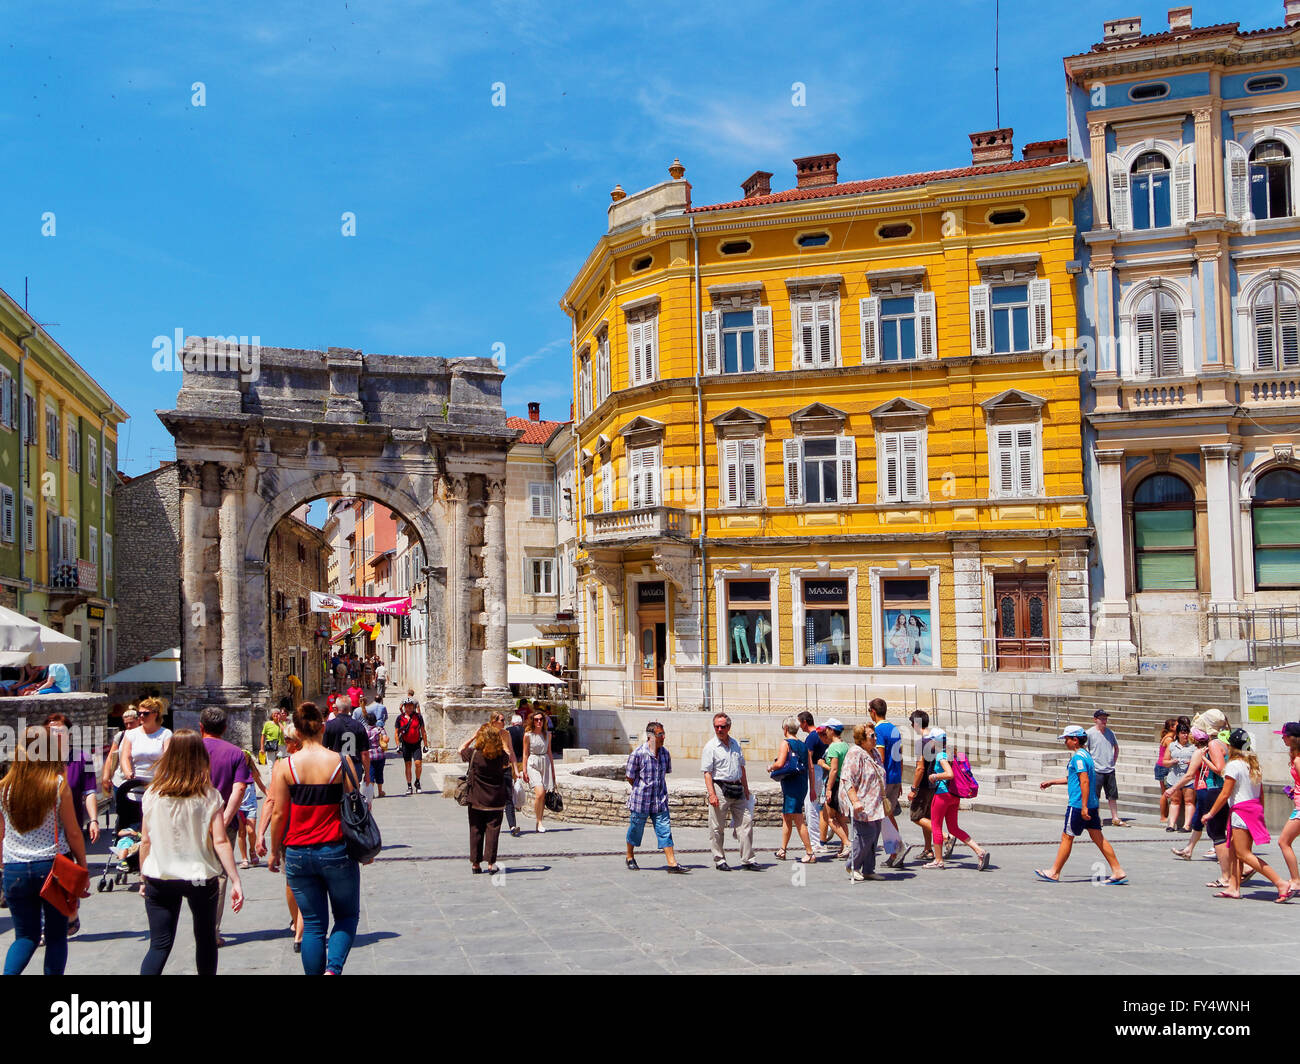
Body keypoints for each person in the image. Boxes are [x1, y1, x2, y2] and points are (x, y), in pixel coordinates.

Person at [268, 701, 364, 976]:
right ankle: (332, 970)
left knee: (311, 924)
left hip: (298, 852)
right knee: (346, 916)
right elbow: (355, 808)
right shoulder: (341, 762)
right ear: (323, 727)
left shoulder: (285, 767)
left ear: (296, 732)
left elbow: (278, 814)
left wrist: (274, 851)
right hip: (337, 849)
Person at [139, 730, 244, 974]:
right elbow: (220, 841)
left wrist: (143, 876)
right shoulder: (209, 795)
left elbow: (146, 841)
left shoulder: (152, 794)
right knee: (206, 940)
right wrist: (236, 879)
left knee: (159, 945)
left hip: (160, 874)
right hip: (199, 876)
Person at [0, 725, 88, 975]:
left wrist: (3, 865)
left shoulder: (4, 787)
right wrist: (81, 865)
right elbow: (72, 831)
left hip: (14, 868)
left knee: (24, 937)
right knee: (57, 935)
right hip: (52, 867)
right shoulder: (57, 785)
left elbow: (0, 833)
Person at [1201, 729, 1293, 901]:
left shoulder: (1233, 765)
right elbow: (1261, 794)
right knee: (1235, 851)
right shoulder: (1252, 764)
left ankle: (1280, 882)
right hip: (1254, 809)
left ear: (1232, 747)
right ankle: (1233, 887)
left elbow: (1225, 793)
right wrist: (1260, 812)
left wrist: (1210, 813)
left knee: (1243, 854)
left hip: (1241, 811)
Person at [1034, 725, 1127, 885]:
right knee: (1098, 837)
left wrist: (1083, 806)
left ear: (1075, 740)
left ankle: (1054, 872)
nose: (1065, 742)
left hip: (1078, 805)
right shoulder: (1086, 755)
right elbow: (1074, 778)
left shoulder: (1078, 758)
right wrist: (1052, 782)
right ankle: (1117, 869)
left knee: (1067, 836)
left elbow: (1084, 780)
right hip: (1091, 804)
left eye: (1066, 739)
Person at [198, 706, 253, 945]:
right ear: (225, 728)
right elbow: (240, 788)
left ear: (200, 727)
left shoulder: (191, 751)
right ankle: (212, 930)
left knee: (195, 872)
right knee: (219, 875)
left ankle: (199, 923)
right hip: (223, 822)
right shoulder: (235, 753)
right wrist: (227, 818)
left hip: (192, 821)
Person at [257, 721, 304, 953]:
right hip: (321, 831)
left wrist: (263, 836)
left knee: (292, 880)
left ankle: (297, 924)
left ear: (294, 743)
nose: (285, 745)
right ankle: (303, 925)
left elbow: (273, 803)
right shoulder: (328, 760)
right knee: (313, 882)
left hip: (291, 832)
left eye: (287, 741)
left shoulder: (282, 766)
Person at [1170, 712, 1232, 887]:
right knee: (1222, 834)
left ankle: (1227, 876)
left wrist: (1204, 757)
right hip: (1223, 790)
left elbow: (1219, 769)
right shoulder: (1225, 743)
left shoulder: (1212, 744)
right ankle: (1236, 871)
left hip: (1213, 789)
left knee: (1217, 835)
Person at [923, 727, 990, 870]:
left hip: (942, 794)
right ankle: (979, 851)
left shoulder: (941, 755)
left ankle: (938, 860)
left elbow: (950, 774)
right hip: (954, 795)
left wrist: (935, 776)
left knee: (936, 826)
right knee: (953, 828)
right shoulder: (953, 752)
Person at [625, 722, 687, 873]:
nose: (663, 737)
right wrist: (641, 789)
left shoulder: (665, 754)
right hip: (641, 801)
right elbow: (630, 777)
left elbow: (664, 774)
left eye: (663, 734)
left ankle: (672, 863)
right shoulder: (638, 754)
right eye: (660, 734)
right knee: (635, 829)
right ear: (650, 737)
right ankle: (629, 856)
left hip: (660, 801)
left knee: (665, 830)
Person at [701, 712, 756, 871]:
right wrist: (711, 794)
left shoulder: (735, 744)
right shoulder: (710, 747)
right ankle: (719, 860)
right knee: (717, 826)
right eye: (717, 726)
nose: (719, 729)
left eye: (722, 726)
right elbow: (707, 773)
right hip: (719, 787)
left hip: (737, 787)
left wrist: (746, 789)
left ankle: (748, 859)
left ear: (729, 727)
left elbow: (742, 767)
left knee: (746, 822)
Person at [118, 697, 173, 833]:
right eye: (139, 713)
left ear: (155, 714)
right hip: (134, 784)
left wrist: (161, 776)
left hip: (157, 783)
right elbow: (125, 756)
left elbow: (167, 757)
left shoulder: (165, 734)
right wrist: (127, 771)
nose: (141, 716)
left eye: (145, 713)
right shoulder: (131, 734)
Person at [840, 724, 887, 881]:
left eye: (875, 735)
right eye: (872, 736)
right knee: (866, 835)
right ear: (862, 738)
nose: (875, 738)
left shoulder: (873, 752)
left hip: (875, 802)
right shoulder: (855, 753)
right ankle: (852, 864)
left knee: (874, 836)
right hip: (862, 802)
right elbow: (847, 779)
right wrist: (854, 801)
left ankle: (868, 869)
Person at [458, 713, 517, 834]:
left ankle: (512, 825)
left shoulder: (506, 734)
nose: (504, 722)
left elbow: (511, 753)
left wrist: (516, 770)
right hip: (492, 772)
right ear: (494, 721)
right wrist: (474, 737)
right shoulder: (487, 735)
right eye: (502, 720)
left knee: (509, 797)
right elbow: (461, 750)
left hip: (505, 769)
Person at [465, 722, 511, 875]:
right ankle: (491, 863)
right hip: (496, 799)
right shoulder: (500, 756)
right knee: (493, 831)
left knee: (476, 829)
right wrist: (502, 740)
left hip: (476, 799)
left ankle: (476, 864)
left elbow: (460, 750)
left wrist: (473, 737)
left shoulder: (474, 754)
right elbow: (508, 756)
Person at [769, 718, 814, 863]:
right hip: (801, 784)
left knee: (797, 818)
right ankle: (782, 849)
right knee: (786, 816)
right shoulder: (803, 745)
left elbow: (781, 762)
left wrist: (771, 767)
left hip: (791, 783)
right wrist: (812, 788)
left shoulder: (786, 743)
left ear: (786, 728)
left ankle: (810, 852)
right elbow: (811, 768)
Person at [869, 698, 904, 866]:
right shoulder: (894, 729)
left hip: (885, 779)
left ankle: (897, 850)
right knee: (887, 816)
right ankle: (895, 851)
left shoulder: (879, 731)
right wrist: (901, 779)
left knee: (885, 818)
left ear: (873, 712)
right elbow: (899, 756)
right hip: (895, 777)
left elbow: (880, 757)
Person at [903, 710, 936, 865]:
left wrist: (913, 789)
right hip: (934, 785)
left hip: (923, 786)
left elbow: (920, 768)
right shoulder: (937, 740)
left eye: (912, 724)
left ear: (916, 724)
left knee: (915, 817)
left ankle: (945, 836)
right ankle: (928, 849)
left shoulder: (921, 742)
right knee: (926, 817)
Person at [820, 719, 853, 855]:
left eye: (827, 729)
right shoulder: (845, 745)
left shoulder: (834, 747)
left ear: (832, 730)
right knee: (840, 817)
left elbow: (833, 770)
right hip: (844, 783)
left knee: (829, 817)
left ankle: (847, 843)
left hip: (835, 784)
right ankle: (843, 847)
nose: (825, 731)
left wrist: (828, 789)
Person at [1086, 709, 1125, 827]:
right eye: (1102, 719)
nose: (1104, 721)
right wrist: (1090, 765)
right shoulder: (1089, 733)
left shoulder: (1110, 733)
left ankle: (1115, 817)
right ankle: (1096, 818)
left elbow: (1116, 748)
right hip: (1096, 769)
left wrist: (1113, 761)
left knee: (1112, 795)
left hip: (1109, 769)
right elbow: (1084, 749)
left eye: (1105, 719)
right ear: (1095, 719)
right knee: (1095, 795)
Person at [797, 713, 830, 849]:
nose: (799, 726)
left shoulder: (811, 737)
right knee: (818, 806)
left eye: (800, 723)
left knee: (811, 806)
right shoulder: (820, 734)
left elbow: (808, 758)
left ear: (805, 722)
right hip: (820, 771)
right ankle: (821, 836)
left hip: (814, 771)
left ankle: (816, 841)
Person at [324, 694, 371, 785]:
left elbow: (324, 749)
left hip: (336, 766)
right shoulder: (358, 726)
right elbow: (364, 753)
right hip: (354, 765)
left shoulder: (329, 726)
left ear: (336, 708)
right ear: (349, 708)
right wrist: (367, 774)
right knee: (353, 794)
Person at [522, 708, 556, 833]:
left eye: (541, 719)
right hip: (533, 762)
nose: (539, 722)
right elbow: (525, 753)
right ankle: (538, 821)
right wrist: (524, 770)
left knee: (543, 795)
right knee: (540, 793)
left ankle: (539, 821)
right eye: (536, 719)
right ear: (533, 721)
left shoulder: (548, 734)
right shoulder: (528, 735)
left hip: (545, 762)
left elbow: (550, 752)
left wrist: (552, 770)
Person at [237, 750, 267, 870]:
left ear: (249, 759)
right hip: (238, 807)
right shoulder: (235, 772)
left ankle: (252, 850)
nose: (244, 761)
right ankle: (244, 858)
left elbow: (261, 785)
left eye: (246, 758)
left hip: (251, 806)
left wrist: (270, 796)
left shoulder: (252, 772)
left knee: (250, 831)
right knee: (241, 833)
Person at [1164, 722, 1196, 833]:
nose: (1185, 735)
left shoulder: (1193, 746)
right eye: (1182, 733)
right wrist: (1172, 761)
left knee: (1189, 801)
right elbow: (1164, 762)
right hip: (1174, 777)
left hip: (1188, 778)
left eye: (1186, 733)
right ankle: (1171, 824)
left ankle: (1187, 825)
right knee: (1174, 801)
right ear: (1177, 734)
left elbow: (1198, 762)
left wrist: (1191, 763)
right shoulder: (1172, 745)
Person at [395, 696, 427, 794]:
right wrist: (398, 745)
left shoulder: (418, 717)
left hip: (416, 744)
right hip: (406, 744)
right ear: (404, 707)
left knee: (418, 764)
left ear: (413, 707)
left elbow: (423, 731)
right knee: (408, 765)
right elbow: (396, 733)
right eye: (407, 706)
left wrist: (426, 745)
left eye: (410, 706)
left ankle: (417, 781)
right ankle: (409, 786)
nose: (409, 708)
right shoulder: (400, 718)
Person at [365, 712, 388, 798]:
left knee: (371, 773)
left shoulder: (365, 731)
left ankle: (372, 793)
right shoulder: (380, 729)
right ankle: (380, 791)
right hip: (380, 755)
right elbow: (385, 739)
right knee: (379, 773)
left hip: (369, 756)